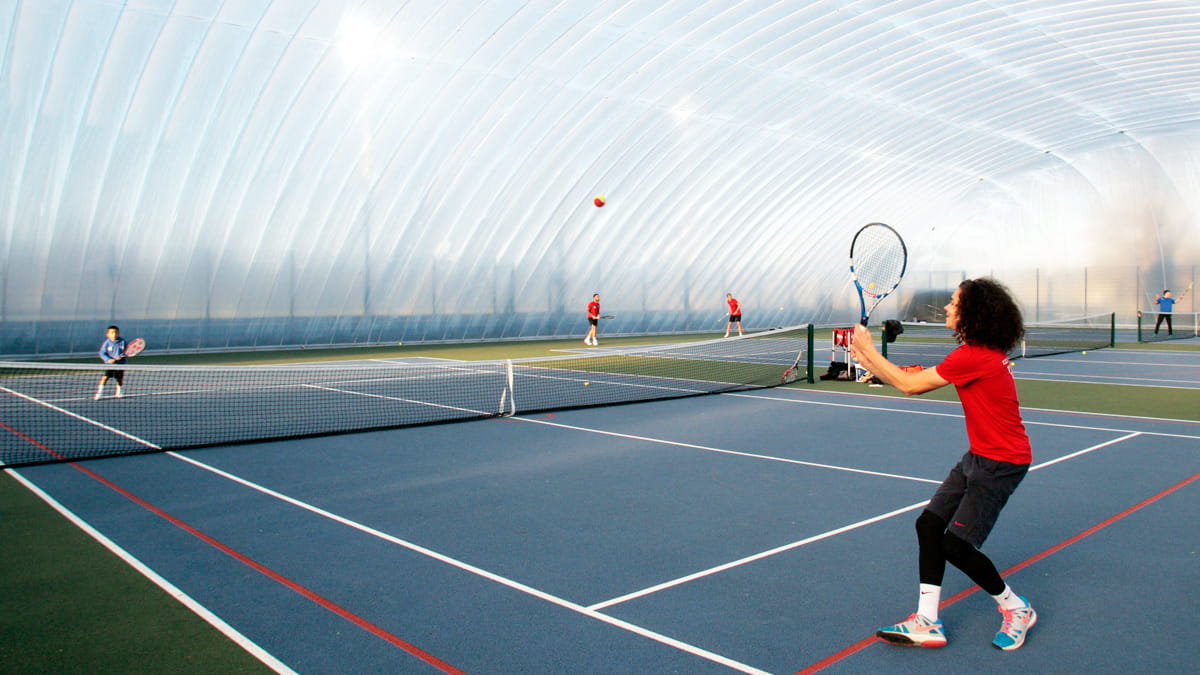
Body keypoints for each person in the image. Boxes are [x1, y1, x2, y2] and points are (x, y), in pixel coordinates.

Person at [849, 278, 1037, 651]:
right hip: (980, 455)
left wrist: (869, 351)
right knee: (929, 524)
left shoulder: (973, 357)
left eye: (954, 303)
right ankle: (927, 621)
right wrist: (867, 357)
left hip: (1001, 462)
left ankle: (1017, 609)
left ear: (973, 312)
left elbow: (909, 386)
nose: (949, 308)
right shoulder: (976, 352)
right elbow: (911, 379)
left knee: (956, 546)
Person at [96, 325, 128, 400]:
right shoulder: (107, 343)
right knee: (105, 378)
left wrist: (122, 356)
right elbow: (102, 353)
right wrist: (109, 360)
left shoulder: (123, 342)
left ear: (119, 333)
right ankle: (99, 393)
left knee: (119, 379)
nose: (114, 334)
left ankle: (119, 392)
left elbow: (128, 351)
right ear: (107, 334)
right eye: (112, 333)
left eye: (116, 332)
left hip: (120, 365)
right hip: (110, 365)